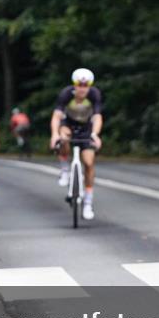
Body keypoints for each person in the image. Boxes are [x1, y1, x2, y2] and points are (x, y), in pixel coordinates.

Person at [49, 68, 103, 220]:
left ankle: (87, 202)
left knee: (89, 163)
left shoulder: (94, 94)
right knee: (63, 137)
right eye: (79, 85)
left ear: (89, 86)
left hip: (86, 128)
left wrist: (95, 134)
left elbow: (98, 117)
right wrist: (54, 134)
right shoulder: (66, 93)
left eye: (86, 85)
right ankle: (65, 169)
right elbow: (56, 116)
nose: (82, 88)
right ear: (74, 85)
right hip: (68, 125)